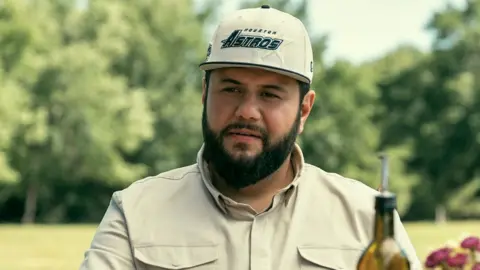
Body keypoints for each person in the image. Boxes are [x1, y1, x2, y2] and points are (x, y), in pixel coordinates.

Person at [79, 5, 421, 270]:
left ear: (304, 110)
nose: (246, 111)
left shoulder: (363, 216)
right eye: (231, 89)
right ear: (205, 94)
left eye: (270, 94)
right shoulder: (136, 212)